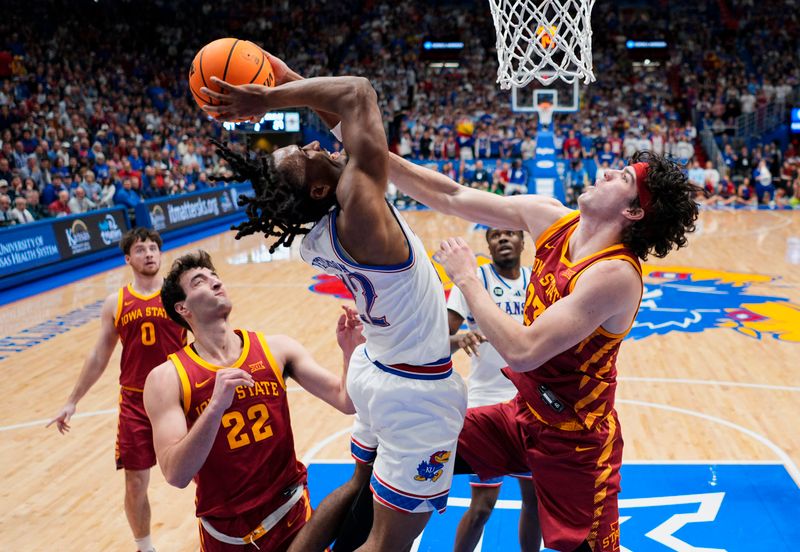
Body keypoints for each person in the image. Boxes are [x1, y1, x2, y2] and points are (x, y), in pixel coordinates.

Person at [200, 55, 467, 552]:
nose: (310, 142)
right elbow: (358, 92)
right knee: (388, 543)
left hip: (375, 370)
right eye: (304, 153)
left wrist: (274, 72)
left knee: (355, 488)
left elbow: (345, 122)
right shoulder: (362, 209)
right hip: (415, 392)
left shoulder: (326, 229)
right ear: (321, 187)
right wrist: (269, 98)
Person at [386, 150, 700, 552]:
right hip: (522, 415)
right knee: (414, 441)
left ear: (634, 211)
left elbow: (524, 351)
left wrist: (467, 278)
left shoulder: (615, 274)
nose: (605, 171)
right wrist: (359, 141)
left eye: (622, 177)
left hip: (577, 444)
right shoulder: (551, 216)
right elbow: (450, 195)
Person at [144, 250, 360, 552]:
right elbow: (176, 475)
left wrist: (349, 352)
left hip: (292, 517)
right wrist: (215, 407)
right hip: (226, 534)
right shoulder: (166, 378)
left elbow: (345, 400)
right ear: (183, 308)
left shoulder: (276, 348)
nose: (215, 282)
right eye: (199, 282)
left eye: (215, 276)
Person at [48, 228, 187, 552]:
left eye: (154, 248)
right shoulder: (117, 302)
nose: (149, 253)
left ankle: (220, 532)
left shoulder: (177, 296)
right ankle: (145, 547)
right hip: (135, 401)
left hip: (180, 393)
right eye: (141, 249)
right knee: (135, 481)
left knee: (203, 470)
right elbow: (99, 354)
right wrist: (72, 401)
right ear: (128, 259)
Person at [447, 228, 540, 552]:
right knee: (483, 506)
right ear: (487, 243)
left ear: (522, 241)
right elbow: (436, 342)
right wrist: (458, 340)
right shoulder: (473, 282)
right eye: (495, 234)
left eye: (510, 233)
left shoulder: (536, 282)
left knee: (535, 501)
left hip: (529, 404)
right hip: (485, 403)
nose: (502, 239)